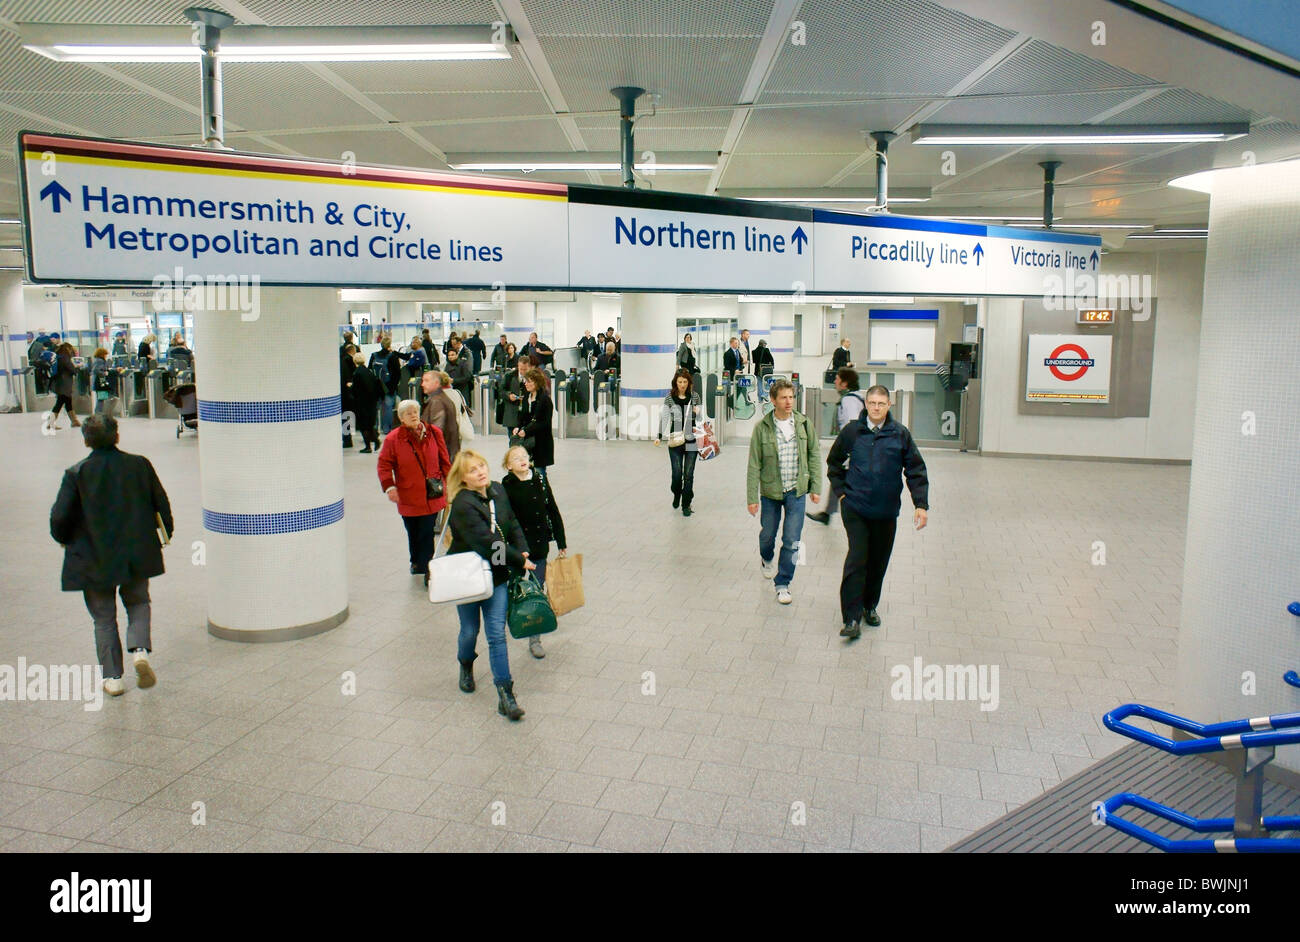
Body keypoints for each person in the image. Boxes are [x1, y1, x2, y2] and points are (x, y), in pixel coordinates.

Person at [49, 414, 172, 697]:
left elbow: (59, 519)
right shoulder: (139, 465)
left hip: (93, 558)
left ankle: (113, 678)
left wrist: (65, 540)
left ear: (86, 440)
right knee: (139, 602)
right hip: (136, 552)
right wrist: (166, 534)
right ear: (117, 436)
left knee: (103, 618)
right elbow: (161, 503)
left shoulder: (76, 474)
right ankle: (140, 650)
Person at [826, 385, 929, 638]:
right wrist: (841, 493)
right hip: (856, 508)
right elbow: (834, 463)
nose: (876, 408)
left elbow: (915, 470)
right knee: (857, 559)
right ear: (866, 404)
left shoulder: (900, 435)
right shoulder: (852, 432)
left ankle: (869, 606)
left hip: (886, 511)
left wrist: (921, 505)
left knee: (878, 561)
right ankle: (851, 618)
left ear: (889, 406)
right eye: (871, 403)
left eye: (881, 404)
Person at [445, 449, 533, 720]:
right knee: (470, 631)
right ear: (462, 478)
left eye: (482, 466)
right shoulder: (462, 504)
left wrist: (523, 548)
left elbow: (512, 521)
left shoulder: (496, 489)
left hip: (496, 576)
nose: (481, 472)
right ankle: (465, 663)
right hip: (468, 576)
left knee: (496, 635)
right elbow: (488, 543)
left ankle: (505, 694)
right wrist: (519, 560)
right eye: (472, 470)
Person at [746, 378, 820, 605]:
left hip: (796, 491)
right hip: (770, 491)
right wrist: (751, 497)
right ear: (773, 400)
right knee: (768, 534)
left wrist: (815, 487)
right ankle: (766, 557)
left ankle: (783, 583)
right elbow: (754, 464)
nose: (789, 402)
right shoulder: (762, 427)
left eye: (791, 397)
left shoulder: (804, 424)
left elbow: (814, 455)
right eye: (783, 398)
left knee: (792, 540)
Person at [501, 444, 567, 659]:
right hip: (517, 549)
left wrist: (561, 540)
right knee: (513, 586)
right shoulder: (506, 484)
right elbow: (505, 519)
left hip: (539, 545)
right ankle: (512, 618)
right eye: (516, 457)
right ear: (508, 466)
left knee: (538, 589)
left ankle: (535, 638)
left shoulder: (539, 479)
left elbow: (552, 509)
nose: (522, 459)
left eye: (524, 456)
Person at [378, 399, 451, 586]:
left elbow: (444, 460)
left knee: (427, 532)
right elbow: (384, 464)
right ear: (401, 418)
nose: (413, 415)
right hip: (408, 495)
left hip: (432, 493)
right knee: (413, 530)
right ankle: (416, 561)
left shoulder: (434, 433)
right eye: (408, 413)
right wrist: (389, 487)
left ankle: (428, 570)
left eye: (415, 411)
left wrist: (450, 482)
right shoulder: (393, 439)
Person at [808, 368, 866, 525]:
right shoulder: (855, 397)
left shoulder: (849, 401)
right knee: (838, 477)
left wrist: (849, 450)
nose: (835, 381)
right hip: (855, 447)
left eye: (838, 379)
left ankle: (855, 514)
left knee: (841, 477)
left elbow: (851, 425)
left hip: (852, 448)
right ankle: (827, 513)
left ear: (845, 383)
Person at [654, 368, 703, 516]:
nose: (682, 384)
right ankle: (677, 493)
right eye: (680, 382)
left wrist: (698, 413)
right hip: (675, 441)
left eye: (685, 382)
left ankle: (686, 504)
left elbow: (700, 420)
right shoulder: (669, 398)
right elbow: (664, 418)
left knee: (688, 474)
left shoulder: (695, 397)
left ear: (689, 383)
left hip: (691, 440)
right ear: (676, 383)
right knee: (677, 474)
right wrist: (659, 436)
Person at [513, 368, 554, 477]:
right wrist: (518, 427)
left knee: (539, 472)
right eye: (525, 381)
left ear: (537, 382)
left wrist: (527, 430)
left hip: (540, 442)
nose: (526, 384)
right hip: (527, 441)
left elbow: (545, 423)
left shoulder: (545, 400)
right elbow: (522, 415)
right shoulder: (526, 397)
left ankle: (543, 492)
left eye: (529, 381)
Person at [420, 370, 460, 461]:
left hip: (441, 456)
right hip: (448, 452)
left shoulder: (436, 401)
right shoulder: (442, 398)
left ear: (437, 383)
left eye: (426, 381)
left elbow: (436, 431)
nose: (422, 384)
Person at [348, 352, 383, 453]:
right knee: (369, 425)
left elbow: (356, 390)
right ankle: (375, 441)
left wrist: (350, 387)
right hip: (371, 402)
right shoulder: (369, 371)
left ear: (354, 361)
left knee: (364, 426)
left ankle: (368, 446)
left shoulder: (356, 373)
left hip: (362, 403)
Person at [369, 335, 402, 435]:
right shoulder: (392, 357)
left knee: (375, 408)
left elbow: (370, 369)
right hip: (389, 387)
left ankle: (374, 428)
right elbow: (397, 374)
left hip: (376, 386)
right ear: (389, 345)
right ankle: (386, 429)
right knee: (387, 408)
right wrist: (393, 387)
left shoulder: (374, 355)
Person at [48, 342, 80, 431]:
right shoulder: (65, 358)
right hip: (64, 384)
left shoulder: (58, 357)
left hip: (60, 383)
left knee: (67, 402)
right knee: (60, 403)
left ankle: (74, 421)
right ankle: (50, 423)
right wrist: (77, 367)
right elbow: (72, 370)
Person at [501, 356, 529, 435]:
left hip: (526, 415)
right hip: (512, 413)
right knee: (513, 440)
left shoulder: (532, 377)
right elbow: (501, 391)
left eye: (525, 369)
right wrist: (509, 395)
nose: (523, 372)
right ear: (518, 366)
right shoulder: (509, 376)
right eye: (521, 369)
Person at [340, 343, 358, 449]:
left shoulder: (341, 361)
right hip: (348, 395)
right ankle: (348, 439)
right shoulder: (348, 362)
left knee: (345, 417)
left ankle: (347, 439)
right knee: (347, 416)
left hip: (344, 395)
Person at [90, 348, 116, 417]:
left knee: (101, 398)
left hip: (100, 382)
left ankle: (98, 413)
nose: (106, 356)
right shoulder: (100, 361)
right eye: (105, 354)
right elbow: (96, 370)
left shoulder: (98, 360)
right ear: (102, 354)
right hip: (100, 382)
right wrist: (105, 373)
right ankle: (98, 413)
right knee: (101, 399)